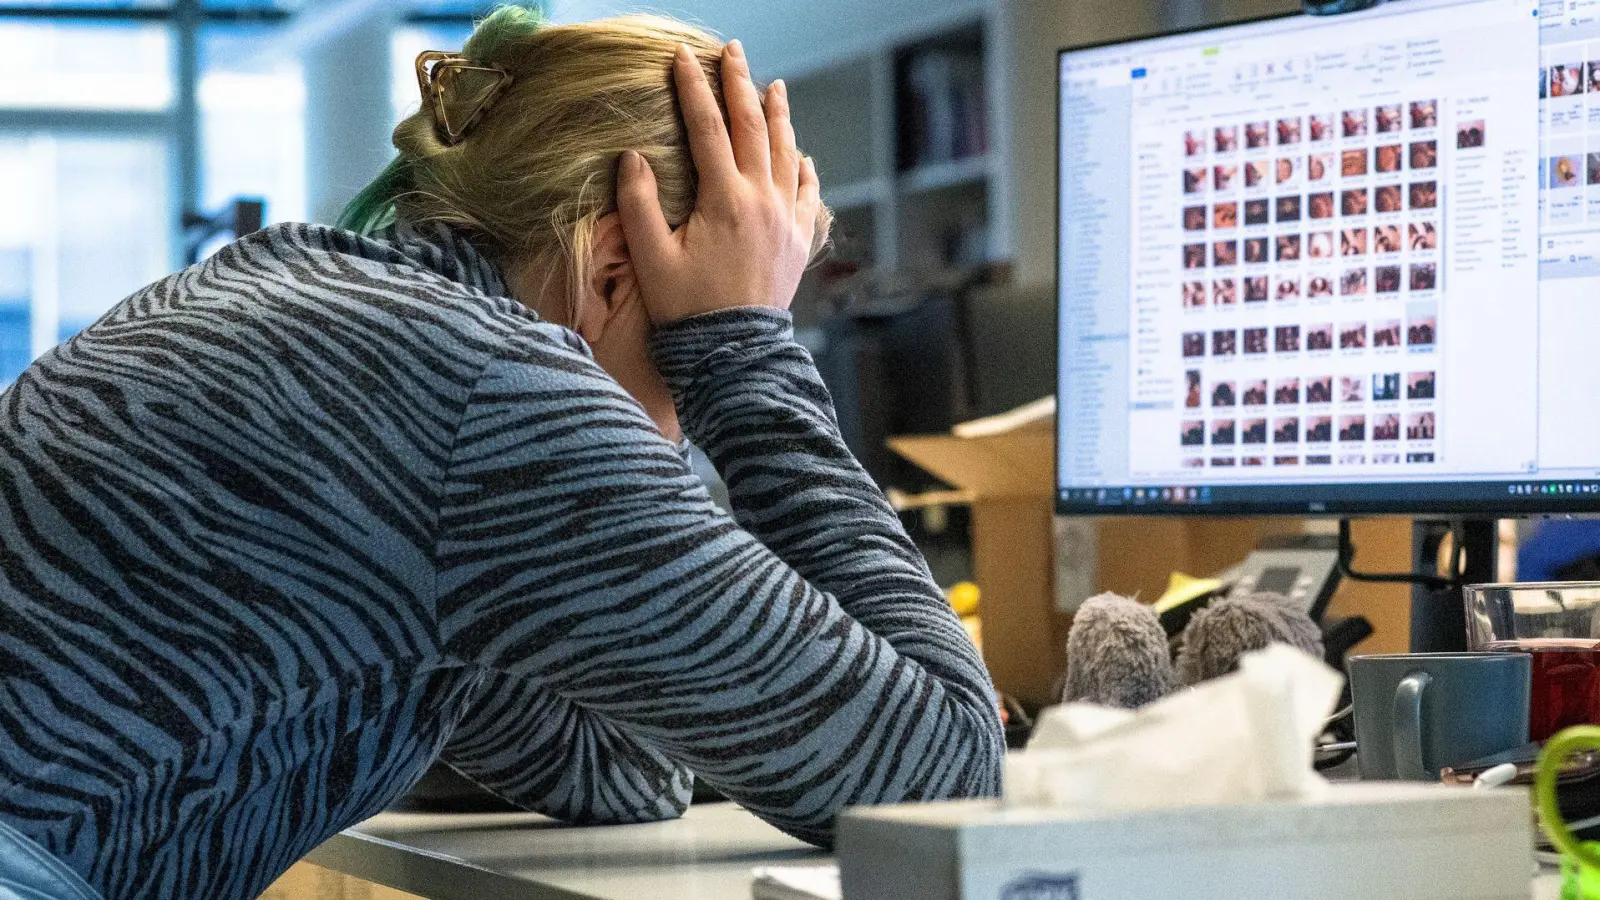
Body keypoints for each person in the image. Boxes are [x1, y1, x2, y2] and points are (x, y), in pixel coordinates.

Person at [0, 8, 1003, 899]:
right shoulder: (492, 390)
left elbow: (620, 776)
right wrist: (738, 351)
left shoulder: (282, 292)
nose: (687, 418)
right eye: (754, 296)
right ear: (619, 265)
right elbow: (947, 779)